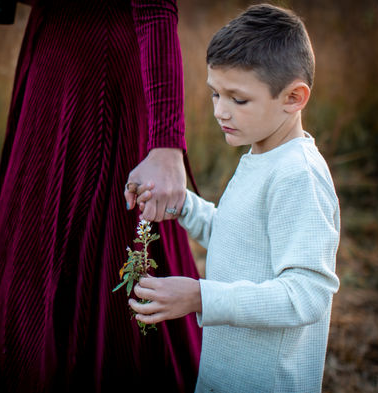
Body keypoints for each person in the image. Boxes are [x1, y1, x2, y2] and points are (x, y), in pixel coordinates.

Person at [0, 1, 201, 392]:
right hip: (51, 71)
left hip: (101, 86)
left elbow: (157, 8)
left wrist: (166, 144)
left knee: (110, 252)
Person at [129, 4, 341, 392]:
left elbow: (307, 294)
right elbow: (238, 239)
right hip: (223, 373)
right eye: (214, 94)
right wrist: (183, 206)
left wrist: (201, 296)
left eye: (237, 100)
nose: (220, 111)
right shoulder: (259, 154)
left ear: (294, 97)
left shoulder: (298, 176)